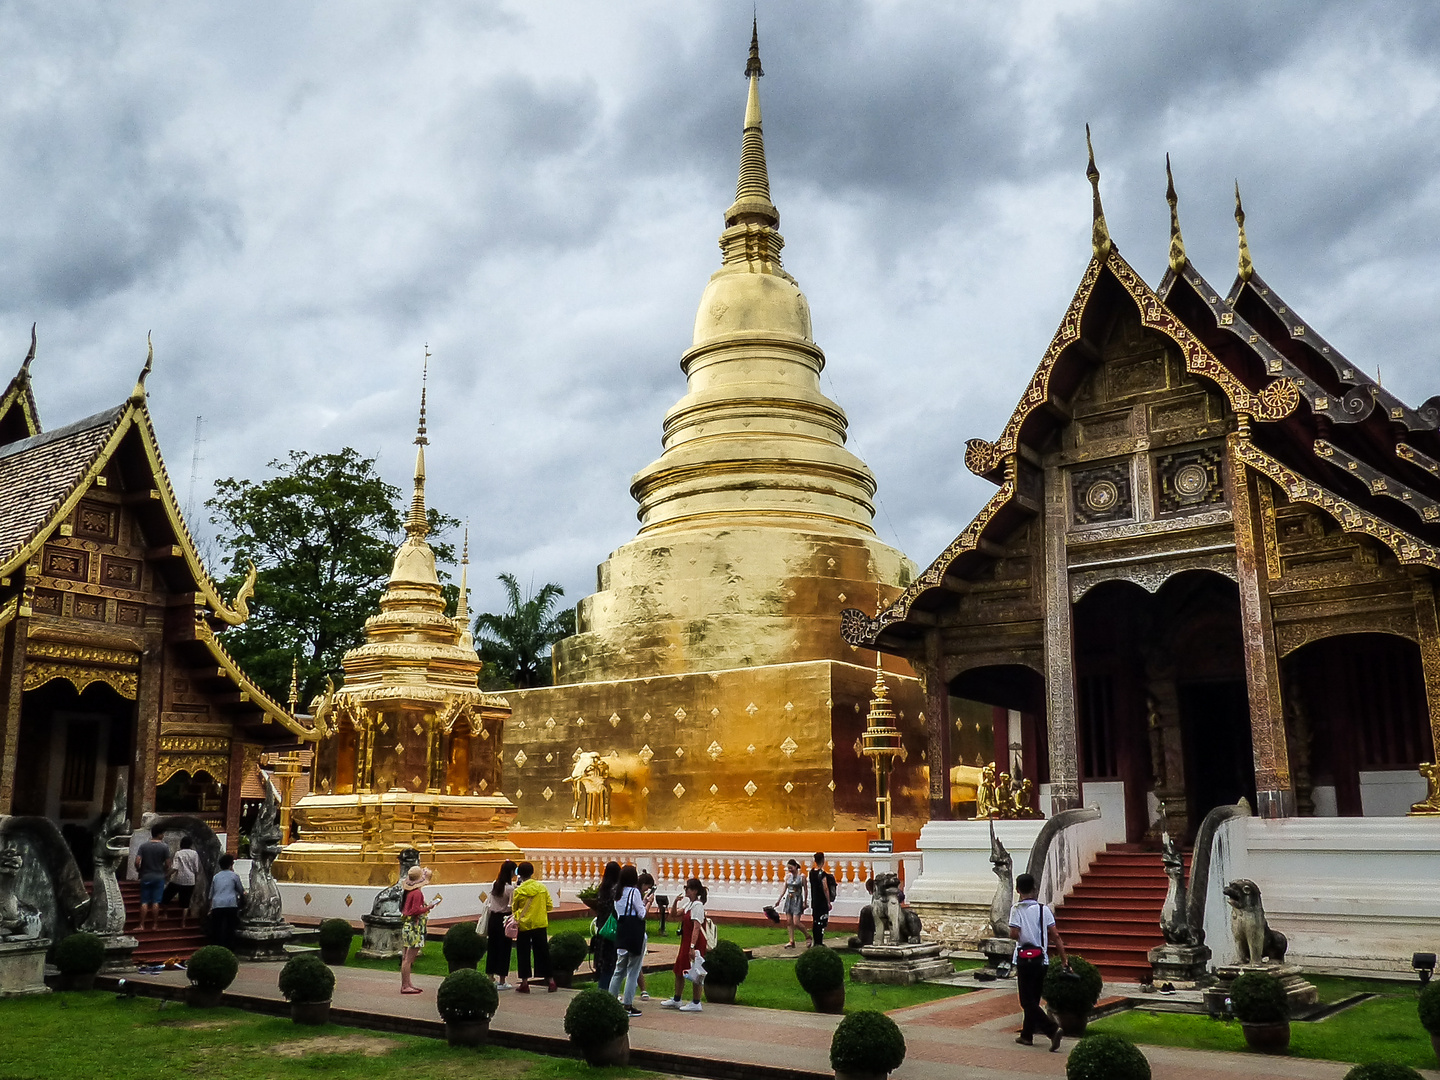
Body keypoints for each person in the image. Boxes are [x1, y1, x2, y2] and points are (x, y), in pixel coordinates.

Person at [1008, 872, 1067, 1051]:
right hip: (1042, 959)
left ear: (1018, 890)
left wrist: (1020, 931)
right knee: (1033, 998)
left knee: (1026, 1001)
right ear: (1034, 889)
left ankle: (1051, 1029)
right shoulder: (1044, 909)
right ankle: (1027, 1035)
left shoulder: (1016, 910)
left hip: (1024, 959)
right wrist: (1064, 959)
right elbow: (1055, 935)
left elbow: (1014, 934)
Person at [661, 878, 708, 1012]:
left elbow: (697, 927)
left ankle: (696, 1001)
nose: (686, 890)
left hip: (694, 942)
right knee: (680, 969)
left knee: (696, 971)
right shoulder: (690, 905)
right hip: (686, 941)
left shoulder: (698, 906)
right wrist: (675, 902)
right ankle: (677, 998)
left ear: (695, 891)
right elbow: (674, 914)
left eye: (688, 888)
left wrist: (692, 946)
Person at [511, 861, 557, 993]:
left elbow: (515, 908)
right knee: (543, 953)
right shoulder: (541, 888)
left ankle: (525, 983)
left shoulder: (519, 890)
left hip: (524, 925)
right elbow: (549, 905)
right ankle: (551, 981)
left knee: (523, 953)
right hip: (540, 924)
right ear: (532, 873)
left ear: (519, 874)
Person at [610, 865, 648, 1016]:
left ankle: (611, 1001)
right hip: (634, 933)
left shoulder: (617, 892)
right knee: (633, 971)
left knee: (619, 970)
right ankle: (627, 1005)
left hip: (622, 931)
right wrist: (647, 903)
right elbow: (641, 914)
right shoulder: (634, 892)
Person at [399, 864, 439, 995]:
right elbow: (415, 910)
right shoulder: (417, 893)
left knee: (406, 957)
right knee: (408, 959)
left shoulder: (410, 893)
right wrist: (428, 908)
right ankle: (405, 985)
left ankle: (407, 983)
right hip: (414, 927)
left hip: (408, 926)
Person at [483, 859, 517, 990]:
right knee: (504, 949)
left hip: (493, 919)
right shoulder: (510, 889)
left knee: (493, 947)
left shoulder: (495, 884)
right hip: (504, 919)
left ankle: (490, 976)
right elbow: (511, 906)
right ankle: (502, 979)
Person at [134, 825, 171, 932]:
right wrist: (164, 870)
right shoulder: (164, 847)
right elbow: (168, 864)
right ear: (159, 834)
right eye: (162, 833)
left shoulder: (143, 846)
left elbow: (137, 861)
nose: (163, 835)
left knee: (144, 901)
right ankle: (155, 925)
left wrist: (139, 870)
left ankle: (141, 925)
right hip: (159, 877)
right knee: (156, 902)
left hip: (146, 876)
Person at [592, 861, 621, 993]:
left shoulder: (602, 889)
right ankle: (606, 991)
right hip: (612, 930)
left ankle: (602, 989)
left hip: (602, 928)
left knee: (603, 963)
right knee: (611, 964)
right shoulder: (616, 891)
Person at [163, 836, 202, 929]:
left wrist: (167, 875)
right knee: (186, 902)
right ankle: (183, 922)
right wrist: (195, 879)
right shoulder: (195, 854)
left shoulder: (179, 853)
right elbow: (196, 868)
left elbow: (175, 867)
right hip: (190, 880)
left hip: (178, 879)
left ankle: (165, 914)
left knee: (166, 897)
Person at [208, 854, 245, 948]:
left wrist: (210, 908)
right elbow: (241, 890)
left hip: (217, 904)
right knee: (230, 928)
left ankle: (216, 946)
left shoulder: (216, 877)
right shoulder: (234, 876)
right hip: (230, 904)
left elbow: (211, 894)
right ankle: (229, 947)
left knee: (217, 928)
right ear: (230, 865)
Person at [776, 858, 808, 948]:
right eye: (788, 868)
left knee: (796, 922)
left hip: (797, 899)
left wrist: (805, 902)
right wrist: (779, 900)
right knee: (789, 921)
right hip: (789, 899)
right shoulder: (788, 877)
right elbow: (784, 889)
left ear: (795, 867)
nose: (790, 870)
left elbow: (805, 890)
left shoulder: (802, 877)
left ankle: (807, 936)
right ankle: (791, 941)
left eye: (791, 868)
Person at [807, 852, 835, 948]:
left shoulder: (811, 873)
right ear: (823, 860)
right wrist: (828, 901)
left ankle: (816, 941)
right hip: (822, 901)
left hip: (815, 901)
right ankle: (819, 941)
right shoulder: (822, 874)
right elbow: (825, 888)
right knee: (822, 921)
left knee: (815, 921)